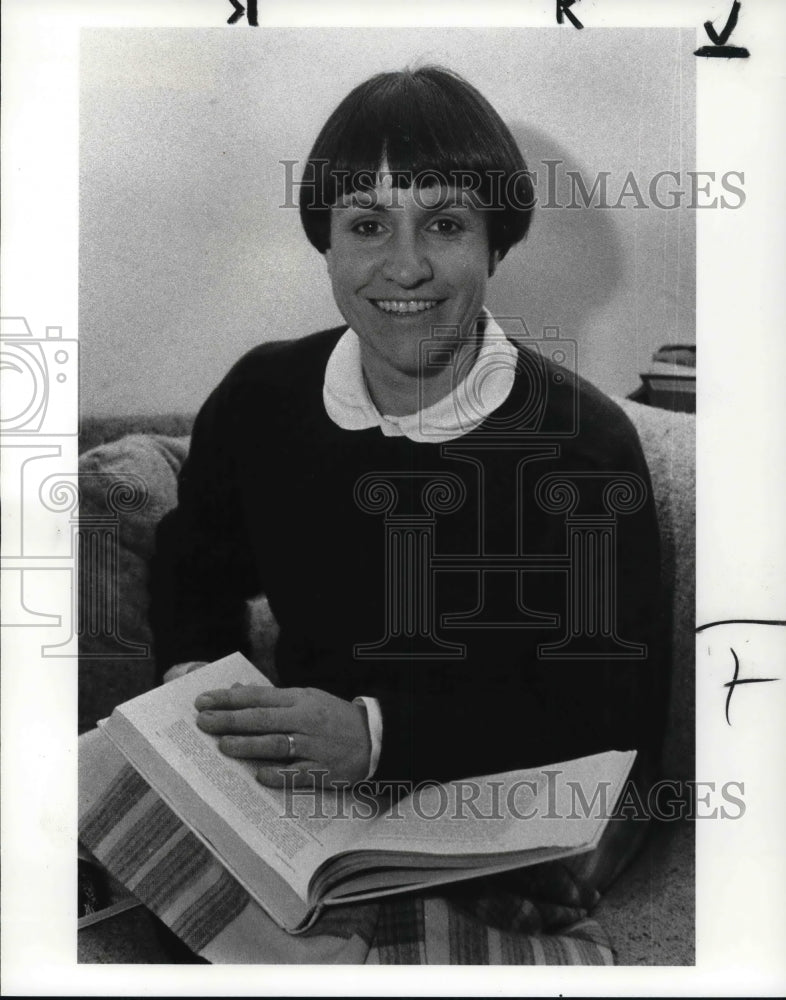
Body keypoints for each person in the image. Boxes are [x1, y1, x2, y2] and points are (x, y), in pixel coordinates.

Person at [149, 66, 668, 795]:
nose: (405, 266)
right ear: (326, 246)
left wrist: (376, 737)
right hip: (299, 797)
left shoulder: (584, 446)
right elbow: (193, 568)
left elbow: (614, 717)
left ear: (495, 244)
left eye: (445, 224)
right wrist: (193, 676)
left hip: (490, 807)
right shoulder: (261, 396)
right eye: (367, 226)